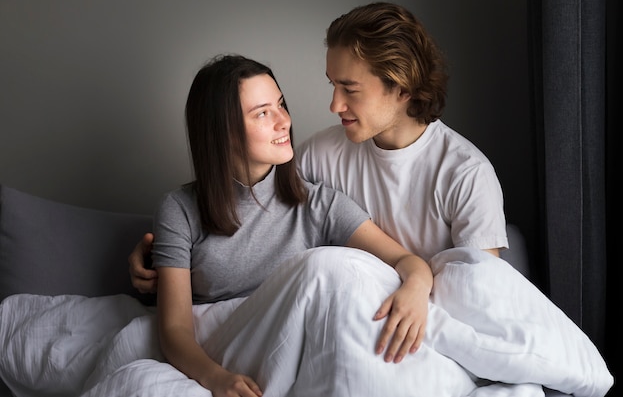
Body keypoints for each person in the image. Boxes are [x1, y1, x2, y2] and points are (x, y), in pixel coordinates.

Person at [130, 1, 508, 288]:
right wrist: (158, 259)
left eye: (350, 89)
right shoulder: (320, 154)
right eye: (333, 84)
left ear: (401, 87)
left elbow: (477, 295)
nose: (334, 105)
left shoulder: (466, 174)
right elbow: (248, 214)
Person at [151, 54, 433, 396]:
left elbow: (408, 262)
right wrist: (216, 378)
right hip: (223, 356)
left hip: (298, 355)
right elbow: (175, 329)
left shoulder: (319, 204)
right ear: (221, 132)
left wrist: (416, 287)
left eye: (281, 105)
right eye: (262, 113)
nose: (283, 121)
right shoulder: (178, 210)